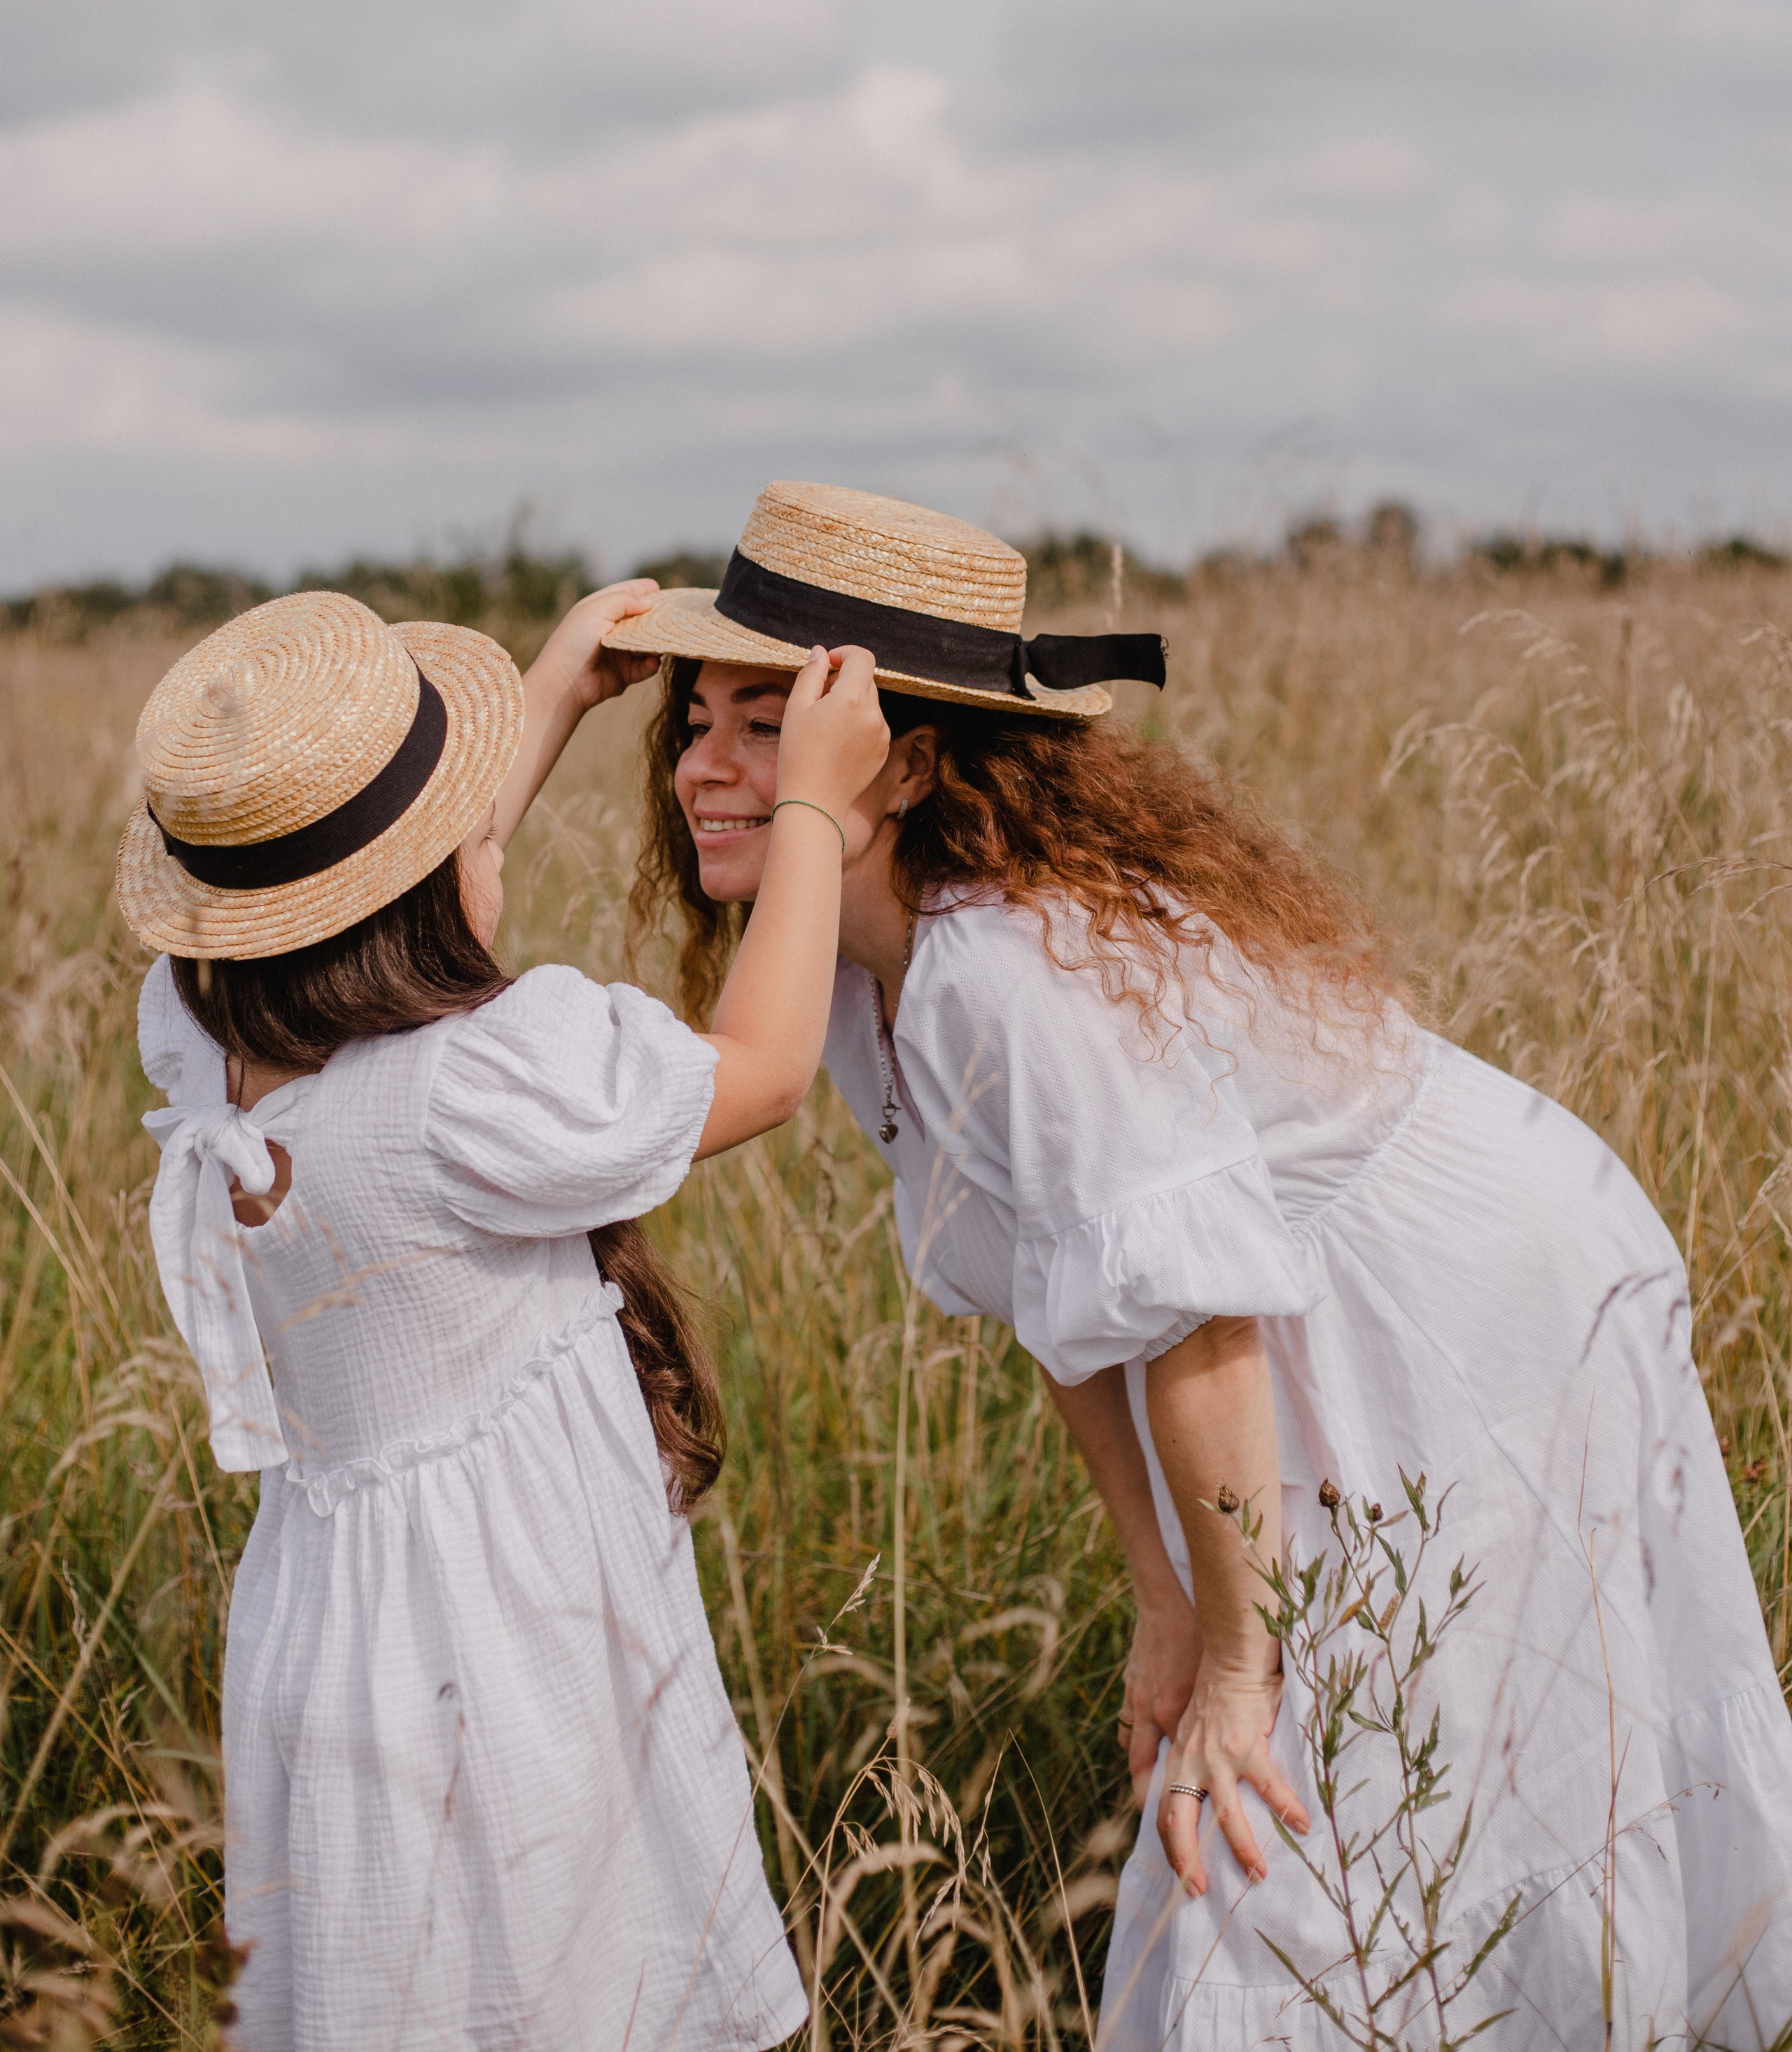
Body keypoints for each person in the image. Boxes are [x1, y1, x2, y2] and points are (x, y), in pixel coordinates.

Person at [612, 478, 1792, 2051]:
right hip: (1270, 1305)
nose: (697, 764)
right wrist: (1162, 1594)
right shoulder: (852, 972)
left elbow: (1191, 1318)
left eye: (763, 724)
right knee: (1293, 1722)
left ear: (893, 759)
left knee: (1339, 1740)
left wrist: (1235, 1655)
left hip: (1459, 1285)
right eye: (693, 719)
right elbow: (1070, 1299)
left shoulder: (1007, 976)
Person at [119, 576, 890, 2052]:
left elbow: (412, 881)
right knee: (558, 1965)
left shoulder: (205, 1035)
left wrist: (548, 694)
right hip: (508, 1643)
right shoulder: (474, 1088)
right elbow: (766, 1063)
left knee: (393, 1975)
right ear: (426, 889)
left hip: (325, 1632)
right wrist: (812, 805)